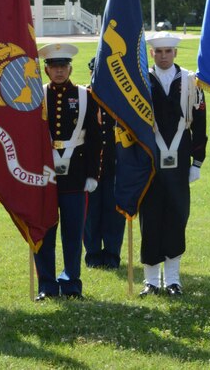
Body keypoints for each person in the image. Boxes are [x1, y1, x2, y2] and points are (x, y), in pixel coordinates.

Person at [139, 32, 206, 297]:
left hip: (179, 161)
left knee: (177, 217)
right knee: (150, 218)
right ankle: (151, 280)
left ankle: (174, 279)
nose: (164, 56)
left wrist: (197, 162)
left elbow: (199, 124)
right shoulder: (142, 80)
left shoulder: (191, 81)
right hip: (150, 161)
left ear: (175, 53)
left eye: (168, 51)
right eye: (159, 52)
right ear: (152, 54)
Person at [34, 43, 100, 300]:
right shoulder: (37, 97)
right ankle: (47, 285)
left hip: (76, 174)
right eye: (53, 67)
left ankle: (71, 282)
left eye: (63, 66)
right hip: (45, 177)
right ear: (46, 70)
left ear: (70, 67)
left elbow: (95, 139)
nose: (59, 71)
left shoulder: (85, 96)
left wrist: (93, 174)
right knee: (44, 231)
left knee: (73, 232)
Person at [83, 56, 125, 269]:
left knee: (114, 211)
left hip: (114, 163)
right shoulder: (84, 97)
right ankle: (92, 254)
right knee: (90, 212)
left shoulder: (120, 98)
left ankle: (112, 254)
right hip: (89, 166)